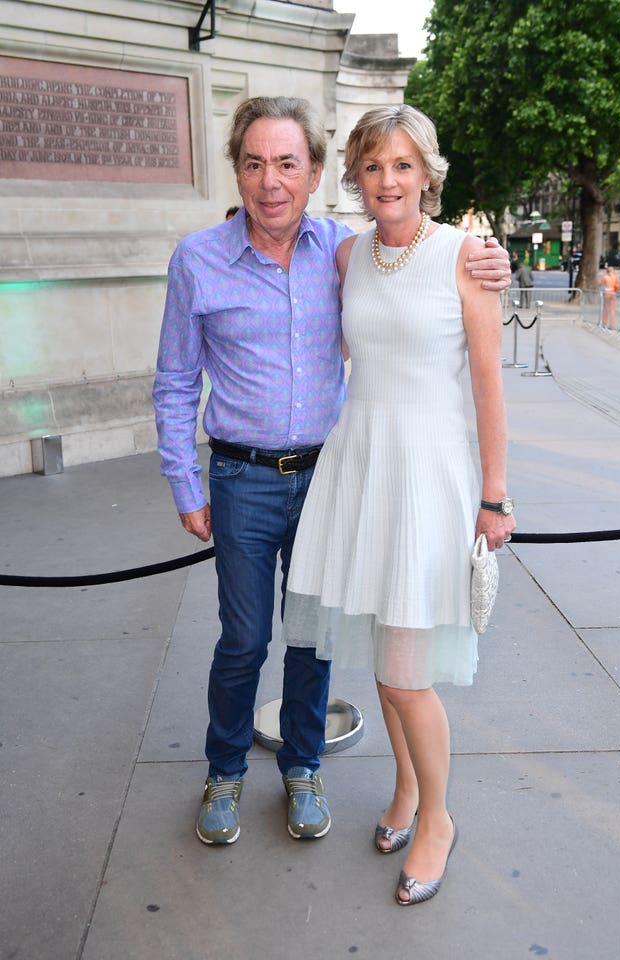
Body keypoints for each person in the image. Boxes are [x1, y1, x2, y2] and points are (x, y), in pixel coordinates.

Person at [153, 96, 512, 849]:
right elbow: (175, 381)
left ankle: (305, 768)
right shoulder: (212, 259)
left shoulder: (337, 249)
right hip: (247, 479)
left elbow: (467, 351)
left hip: (338, 476)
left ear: (315, 174)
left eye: (288, 163)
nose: (271, 180)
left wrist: (488, 256)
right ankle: (224, 773)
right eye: (255, 163)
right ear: (239, 172)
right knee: (245, 639)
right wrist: (187, 484)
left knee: (314, 640)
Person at [282, 103, 516, 905]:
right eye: (375, 166)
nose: (389, 180)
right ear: (357, 174)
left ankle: (441, 817)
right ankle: (409, 792)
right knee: (386, 667)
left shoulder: (464, 253)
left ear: (428, 174)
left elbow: (489, 385)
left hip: (431, 476)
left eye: (404, 165)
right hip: (364, 469)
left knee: (409, 675)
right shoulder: (345, 253)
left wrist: (494, 494)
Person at [598, 265, 620, 330]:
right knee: (612, 309)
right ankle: (612, 324)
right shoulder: (615, 277)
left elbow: (599, 284)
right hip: (613, 292)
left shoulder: (605, 277)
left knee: (605, 308)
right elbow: (618, 284)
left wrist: (601, 276)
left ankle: (604, 323)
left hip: (607, 291)